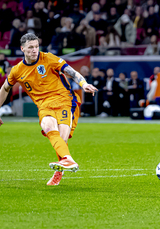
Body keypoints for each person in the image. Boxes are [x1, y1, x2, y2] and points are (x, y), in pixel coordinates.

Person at [0, 33, 98, 186]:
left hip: (64, 100)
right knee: (47, 126)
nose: (34, 50)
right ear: (22, 49)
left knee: (62, 139)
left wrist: (83, 84)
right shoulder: (17, 70)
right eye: (31, 47)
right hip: (44, 105)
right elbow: (5, 88)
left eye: (36, 47)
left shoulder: (48, 58)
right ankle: (68, 160)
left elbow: (71, 72)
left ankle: (60, 169)